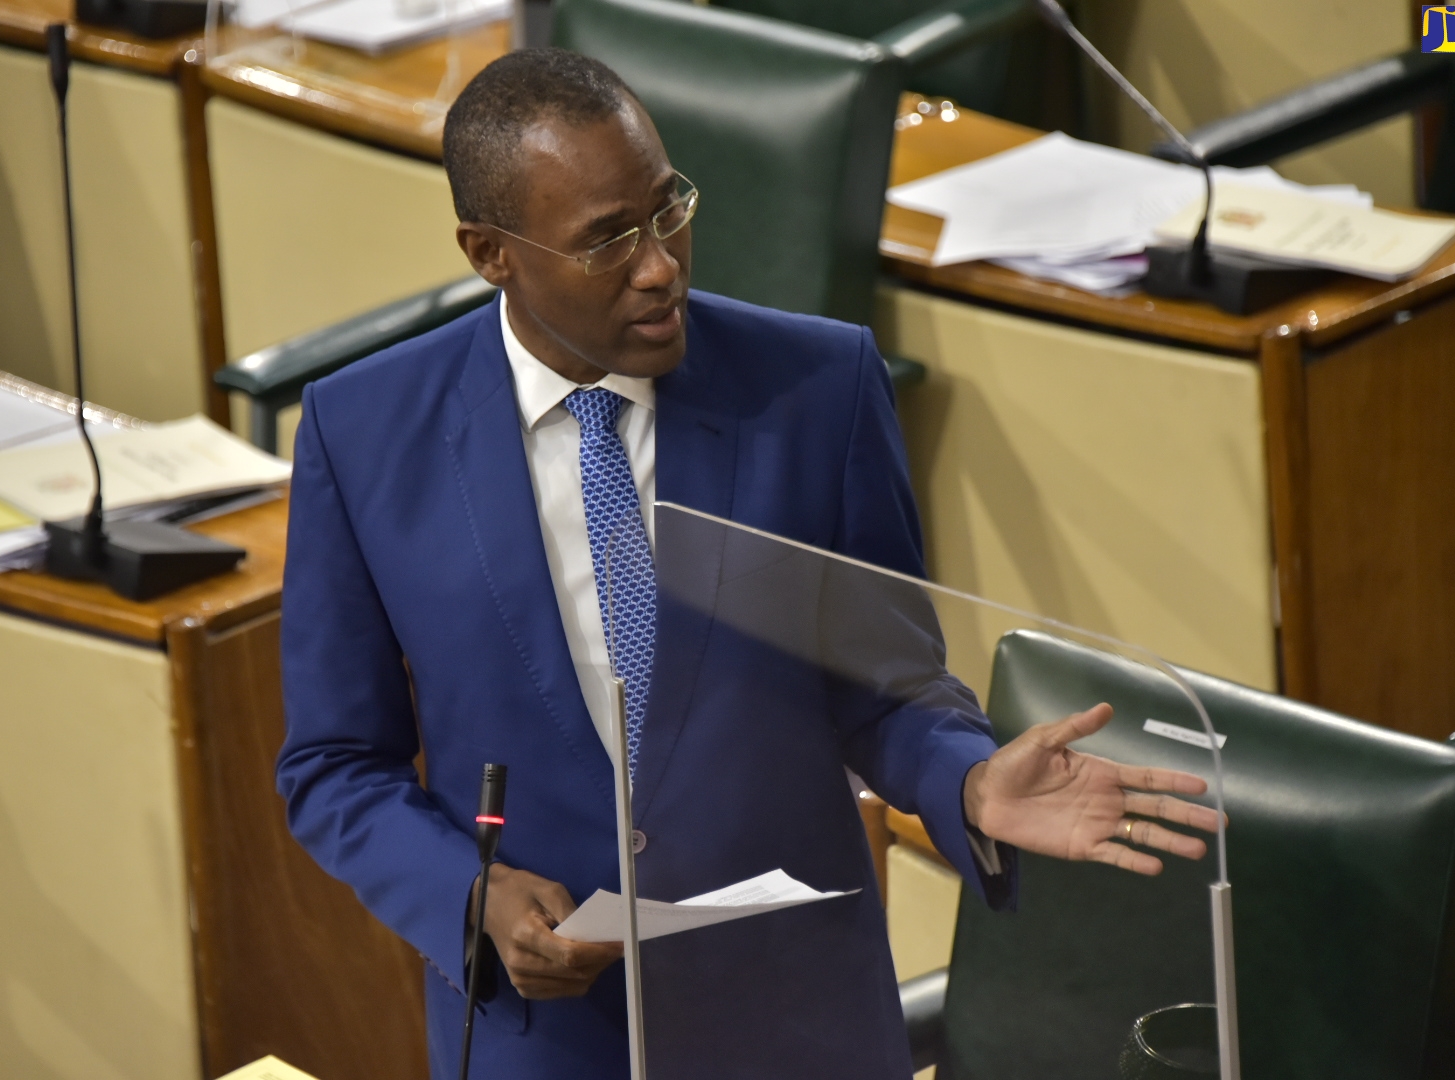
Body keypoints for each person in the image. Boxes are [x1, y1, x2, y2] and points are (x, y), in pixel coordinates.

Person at [277, 48, 1221, 1079]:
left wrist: (969, 781)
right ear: (490, 252)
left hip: (794, 1016)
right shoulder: (362, 433)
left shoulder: (818, 389)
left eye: (667, 207)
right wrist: (472, 895)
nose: (661, 264)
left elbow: (888, 689)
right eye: (607, 241)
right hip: (549, 1042)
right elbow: (335, 764)